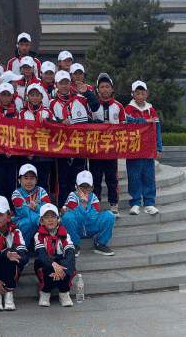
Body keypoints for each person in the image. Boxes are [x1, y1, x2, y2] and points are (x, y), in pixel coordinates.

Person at [48, 71, 91, 203]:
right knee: (62, 179)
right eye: (61, 83)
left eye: (66, 82)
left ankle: (78, 204)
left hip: (79, 145)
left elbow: (93, 111)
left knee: (78, 177)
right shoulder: (52, 102)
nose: (64, 86)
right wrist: (60, 122)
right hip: (61, 146)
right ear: (56, 84)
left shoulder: (80, 99)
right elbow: (49, 123)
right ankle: (62, 205)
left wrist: (87, 93)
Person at [87, 72, 124, 216]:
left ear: (112, 88)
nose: (105, 89)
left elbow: (124, 127)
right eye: (102, 87)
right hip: (95, 149)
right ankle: (95, 204)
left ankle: (113, 204)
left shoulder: (118, 106)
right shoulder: (92, 106)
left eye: (107, 86)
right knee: (95, 178)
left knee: (111, 178)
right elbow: (87, 124)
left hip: (111, 149)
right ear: (98, 89)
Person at [124, 80, 162, 216]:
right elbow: (126, 125)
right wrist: (143, 121)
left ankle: (149, 203)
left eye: (143, 93)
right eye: (137, 93)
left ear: (147, 94)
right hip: (133, 149)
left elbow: (157, 130)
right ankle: (135, 203)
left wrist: (158, 148)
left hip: (148, 149)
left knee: (148, 176)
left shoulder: (151, 110)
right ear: (133, 94)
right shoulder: (128, 109)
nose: (140, 96)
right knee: (134, 176)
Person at [60, 170, 115, 257]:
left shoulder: (94, 198)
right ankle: (73, 245)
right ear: (76, 187)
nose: (85, 189)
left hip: (90, 228)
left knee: (109, 215)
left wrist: (85, 204)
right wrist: (84, 205)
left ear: (92, 187)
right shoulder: (72, 196)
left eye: (87, 186)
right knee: (67, 217)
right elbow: (76, 218)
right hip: (77, 229)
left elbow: (93, 218)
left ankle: (100, 244)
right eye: (82, 186)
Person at [33, 203, 76, 307]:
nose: (50, 220)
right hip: (47, 264)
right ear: (41, 221)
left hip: (61, 263)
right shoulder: (38, 235)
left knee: (69, 264)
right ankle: (45, 292)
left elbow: (70, 252)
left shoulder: (65, 234)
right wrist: (54, 265)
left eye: (53, 216)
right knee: (42, 265)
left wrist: (60, 268)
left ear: (58, 219)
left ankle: (64, 292)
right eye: (46, 217)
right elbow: (41, 254)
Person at [11, 163, 50, 246]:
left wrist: (36, 207)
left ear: (36, 180)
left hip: (39, 220)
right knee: (28, 222)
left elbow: (48, 209)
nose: (29, 182)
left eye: (32, 178)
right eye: (25, 178)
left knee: (50, 220)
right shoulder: (16, 193)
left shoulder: (41, 191)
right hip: (22, 220)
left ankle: (44, 247)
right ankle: (23, 247)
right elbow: (24, 212)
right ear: (20, 180)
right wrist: (40, 220)